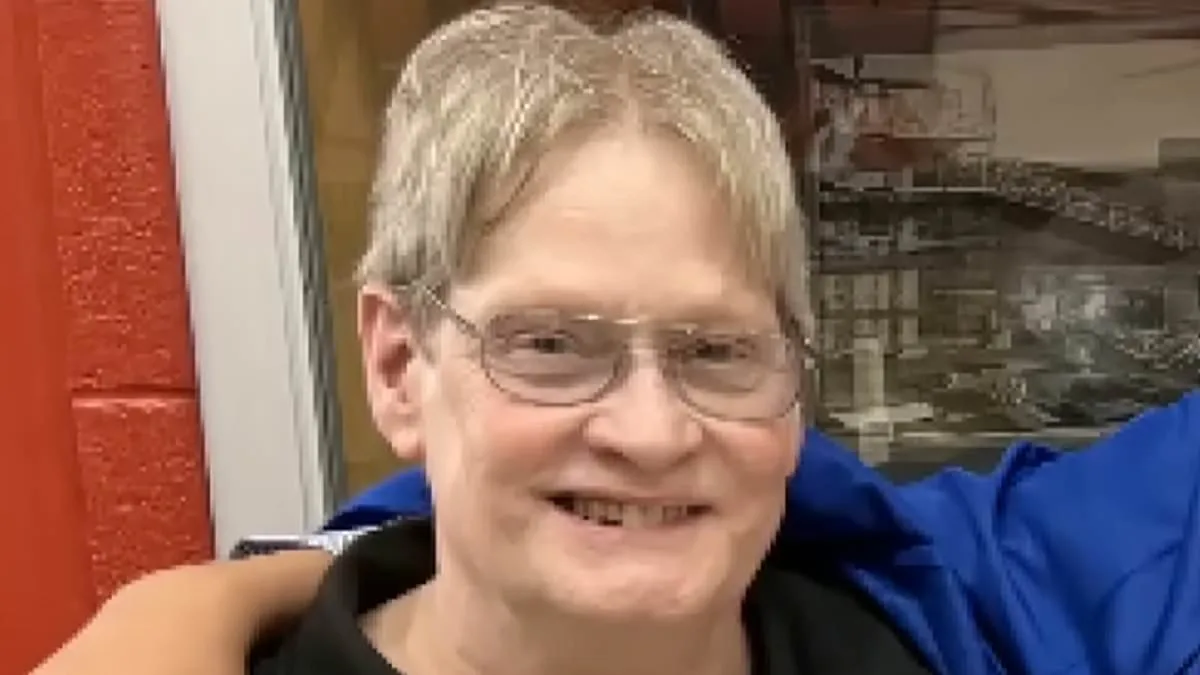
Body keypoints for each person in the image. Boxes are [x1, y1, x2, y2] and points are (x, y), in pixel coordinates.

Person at [34, 3, 1200, 674]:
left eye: (716, 351)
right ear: (396, 363)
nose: (651, 432)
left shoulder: (900, 641)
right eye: (550, 344)